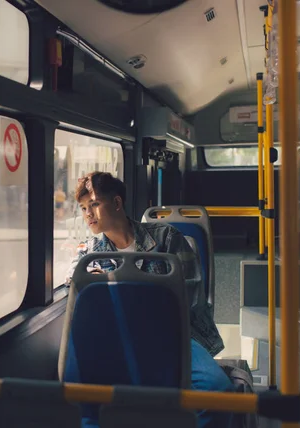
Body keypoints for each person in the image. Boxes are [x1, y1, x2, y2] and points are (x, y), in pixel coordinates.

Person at [63, 172, 233, 428]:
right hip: (117, 336)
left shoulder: (166, 238)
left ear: (117, 203)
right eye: (84, 208)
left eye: (95, 205)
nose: (88, 214)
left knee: (218, 392)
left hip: (173, 334)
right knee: (83, 395)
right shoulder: (89, 253)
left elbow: (189, 296)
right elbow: (75, 290)